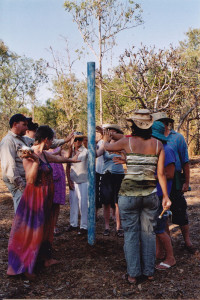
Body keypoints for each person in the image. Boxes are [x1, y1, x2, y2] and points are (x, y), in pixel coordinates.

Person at [103, 109, 171, 284]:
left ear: (133, 124)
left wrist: (106, 137)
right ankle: (148, 272)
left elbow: (108, 148)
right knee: (148, 234)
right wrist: (166, 197)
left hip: (128, 195)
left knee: (131, 234)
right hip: (150, 195)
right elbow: (161, 174)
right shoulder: (158, 144)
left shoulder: (127, 142)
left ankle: (133, 274)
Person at [7, 125, 80, 280]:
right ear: (46, 139)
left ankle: (45, 259)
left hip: (46, 195)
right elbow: (31, 180)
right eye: (51, 139)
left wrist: (71, 159)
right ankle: (26, 266)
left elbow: (57, 158)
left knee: (46, 228)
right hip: (35, 196)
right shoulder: (29, 153)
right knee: (34, 230)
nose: (52, 142)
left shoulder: (44, 154)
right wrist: (34, 162)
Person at [0, 114, 74, 212]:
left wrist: (65, 140)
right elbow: (10, 169)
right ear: (15, 124)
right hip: (18, 183)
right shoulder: (8, 141)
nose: (27, 128)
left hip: (26, 181)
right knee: (23, 213)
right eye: (24, 124)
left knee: (30, 212)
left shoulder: (25, 140)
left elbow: (45, 142)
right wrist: (24, 188)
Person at [152, 112, 195, 253]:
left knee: (180, 210)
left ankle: (187, 241)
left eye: (161, 122)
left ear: (166, 123)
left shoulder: (177, 138)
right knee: (161, 212)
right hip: (159, 178)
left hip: (174, 177)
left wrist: (186, 182)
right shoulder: (152, 138)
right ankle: (166, 244)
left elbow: (185, 161)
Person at [152, 121, 176, 270]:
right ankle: (159, 252)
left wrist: (153, 175)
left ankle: (170, 257)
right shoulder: (157, 150)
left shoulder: (167, 150)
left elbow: (170, 173)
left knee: (159, 228)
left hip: (162, 195)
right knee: (158, 227)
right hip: (156, 193)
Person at [96, 124, 125, 236]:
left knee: (118, 203)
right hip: (107, 175)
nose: (111, 134)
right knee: (106, 202)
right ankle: (107, 227)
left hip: (119, 175)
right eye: (109, 132)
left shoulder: (122, 144)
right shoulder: (104, 144)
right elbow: (96, 154)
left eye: (114, 132)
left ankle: (119, 227)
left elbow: (126, 155)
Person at [66, 132, 88, 235]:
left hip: (84, 180)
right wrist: (69, 180)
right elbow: (68, 165)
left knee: (83, 204)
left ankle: (84, 226)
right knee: (73, 203)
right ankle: (73, 224)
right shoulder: (70, 151)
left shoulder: (86, 151)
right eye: (75, 139)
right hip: (73, 180)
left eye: (79, 139)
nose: (77, 142)